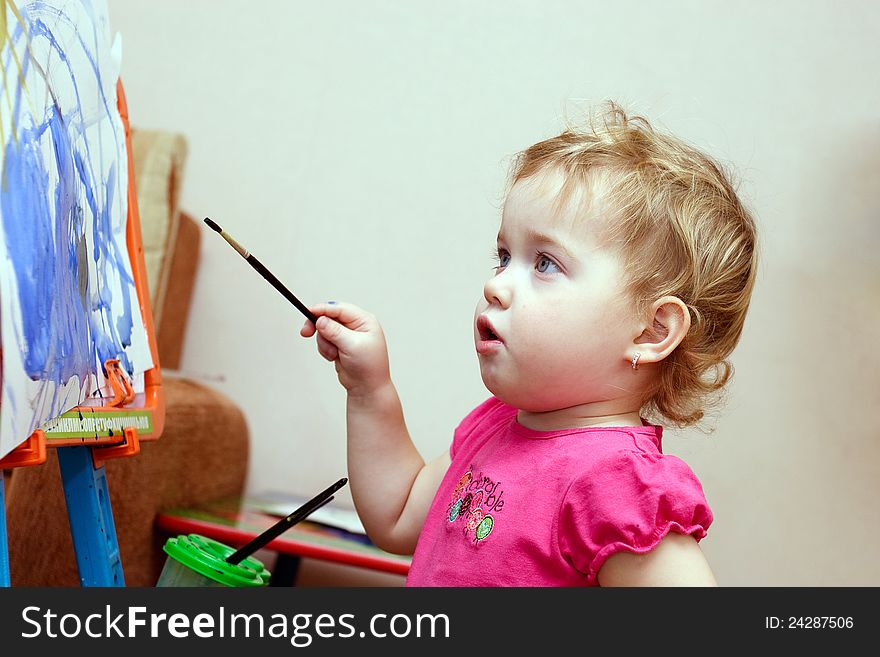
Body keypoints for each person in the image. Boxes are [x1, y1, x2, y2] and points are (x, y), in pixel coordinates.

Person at [300, 101, 757, 586]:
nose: (494, 286)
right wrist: (370, 391)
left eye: (545, 264)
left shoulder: (617, 485)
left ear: (651, 331)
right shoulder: (495, 426)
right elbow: (397, 514)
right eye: (503, 257)